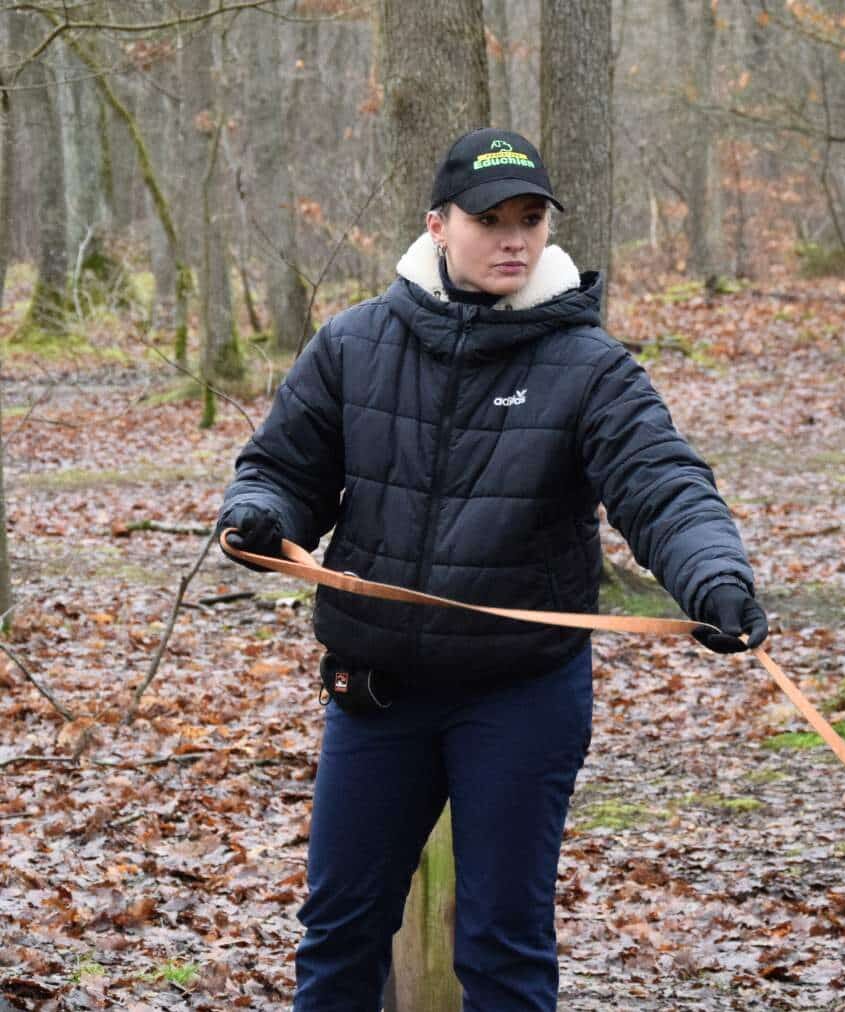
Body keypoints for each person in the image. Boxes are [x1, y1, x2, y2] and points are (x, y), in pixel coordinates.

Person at [216, 127, 767, 1012]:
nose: (514, 237)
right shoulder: (355, 344)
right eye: (490, 219)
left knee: (503, 940)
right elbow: (283, 471)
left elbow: (663, 484)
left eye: (531, 218)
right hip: (377, 690)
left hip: (521, 695)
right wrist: (260, 516)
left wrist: (713, 574)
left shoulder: (590, 368)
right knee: (340, 928)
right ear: (438, 224)